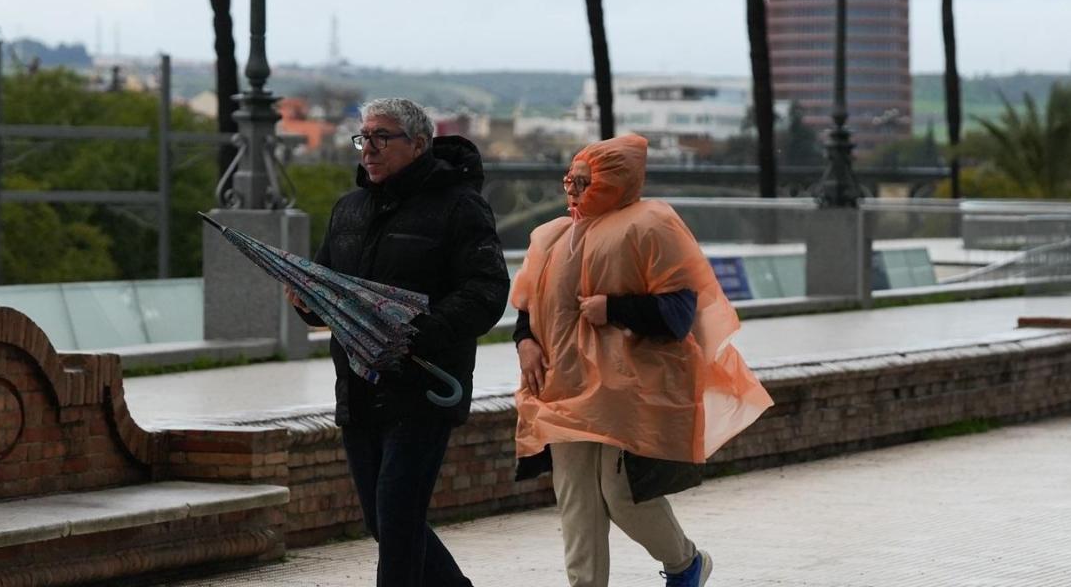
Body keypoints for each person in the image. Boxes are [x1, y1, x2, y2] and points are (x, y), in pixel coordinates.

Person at [510, 134, 772, 587]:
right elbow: (531, 307)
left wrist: (613, 309)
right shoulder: (551, 236)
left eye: (583, 182)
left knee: (622, 493)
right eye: (568, 180)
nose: (571, 190)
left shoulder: (652, 226)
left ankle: (685, 562)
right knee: (575, 499)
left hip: (625, 387)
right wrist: (524, 342)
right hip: (562, 386)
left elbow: (677, 313)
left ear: (614, 183)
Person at [291, 97, 508, 587]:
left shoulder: (460, 206)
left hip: (424, 387)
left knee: (398, 521)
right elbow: (328, 286)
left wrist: (422, 330)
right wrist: (305, 301)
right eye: (363, 137)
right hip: (358, 388)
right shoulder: (348, 209)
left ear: (417, 144)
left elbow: (488, 290)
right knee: (383, 521)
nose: (368, 149)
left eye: (381, 137)